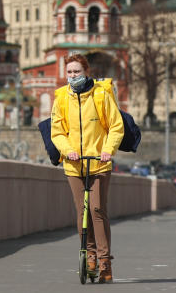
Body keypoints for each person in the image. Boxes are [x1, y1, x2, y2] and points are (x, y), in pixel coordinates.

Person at [51, 53, 124, 283]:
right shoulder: (62, 97)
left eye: (77, 72)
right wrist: (67, 149)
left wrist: (108, 150)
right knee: (82, 212)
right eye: (69, 72)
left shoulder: (101, 93)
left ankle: (105, 262)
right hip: (74, 163)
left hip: (99, 161)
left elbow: (115, 125)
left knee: (96, 210)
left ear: (86, 72)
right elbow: (57, 131)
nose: (73, 76)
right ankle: (89, 256)